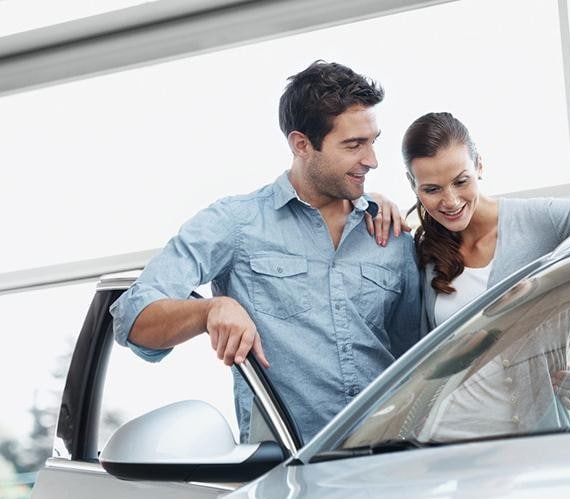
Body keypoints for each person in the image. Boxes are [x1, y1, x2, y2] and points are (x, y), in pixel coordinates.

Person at [110, 61, 422, 444]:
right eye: (354, 145)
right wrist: (209, 310)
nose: (372, 159)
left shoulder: (390, 235)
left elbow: (420, 362)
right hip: (288, 481)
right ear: (301, 144)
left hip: (391, 465)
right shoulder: (235, 223)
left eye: (373, 141)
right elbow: (132, 319)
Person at [402, 112, 570, 440]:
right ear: (412, 185)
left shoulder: (539, 219)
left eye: (461, 181)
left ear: (479, 165)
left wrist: (549, 357)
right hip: (443, 443)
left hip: (532, 439)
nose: (451, 201)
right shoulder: (423, 248)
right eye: (432, 189)